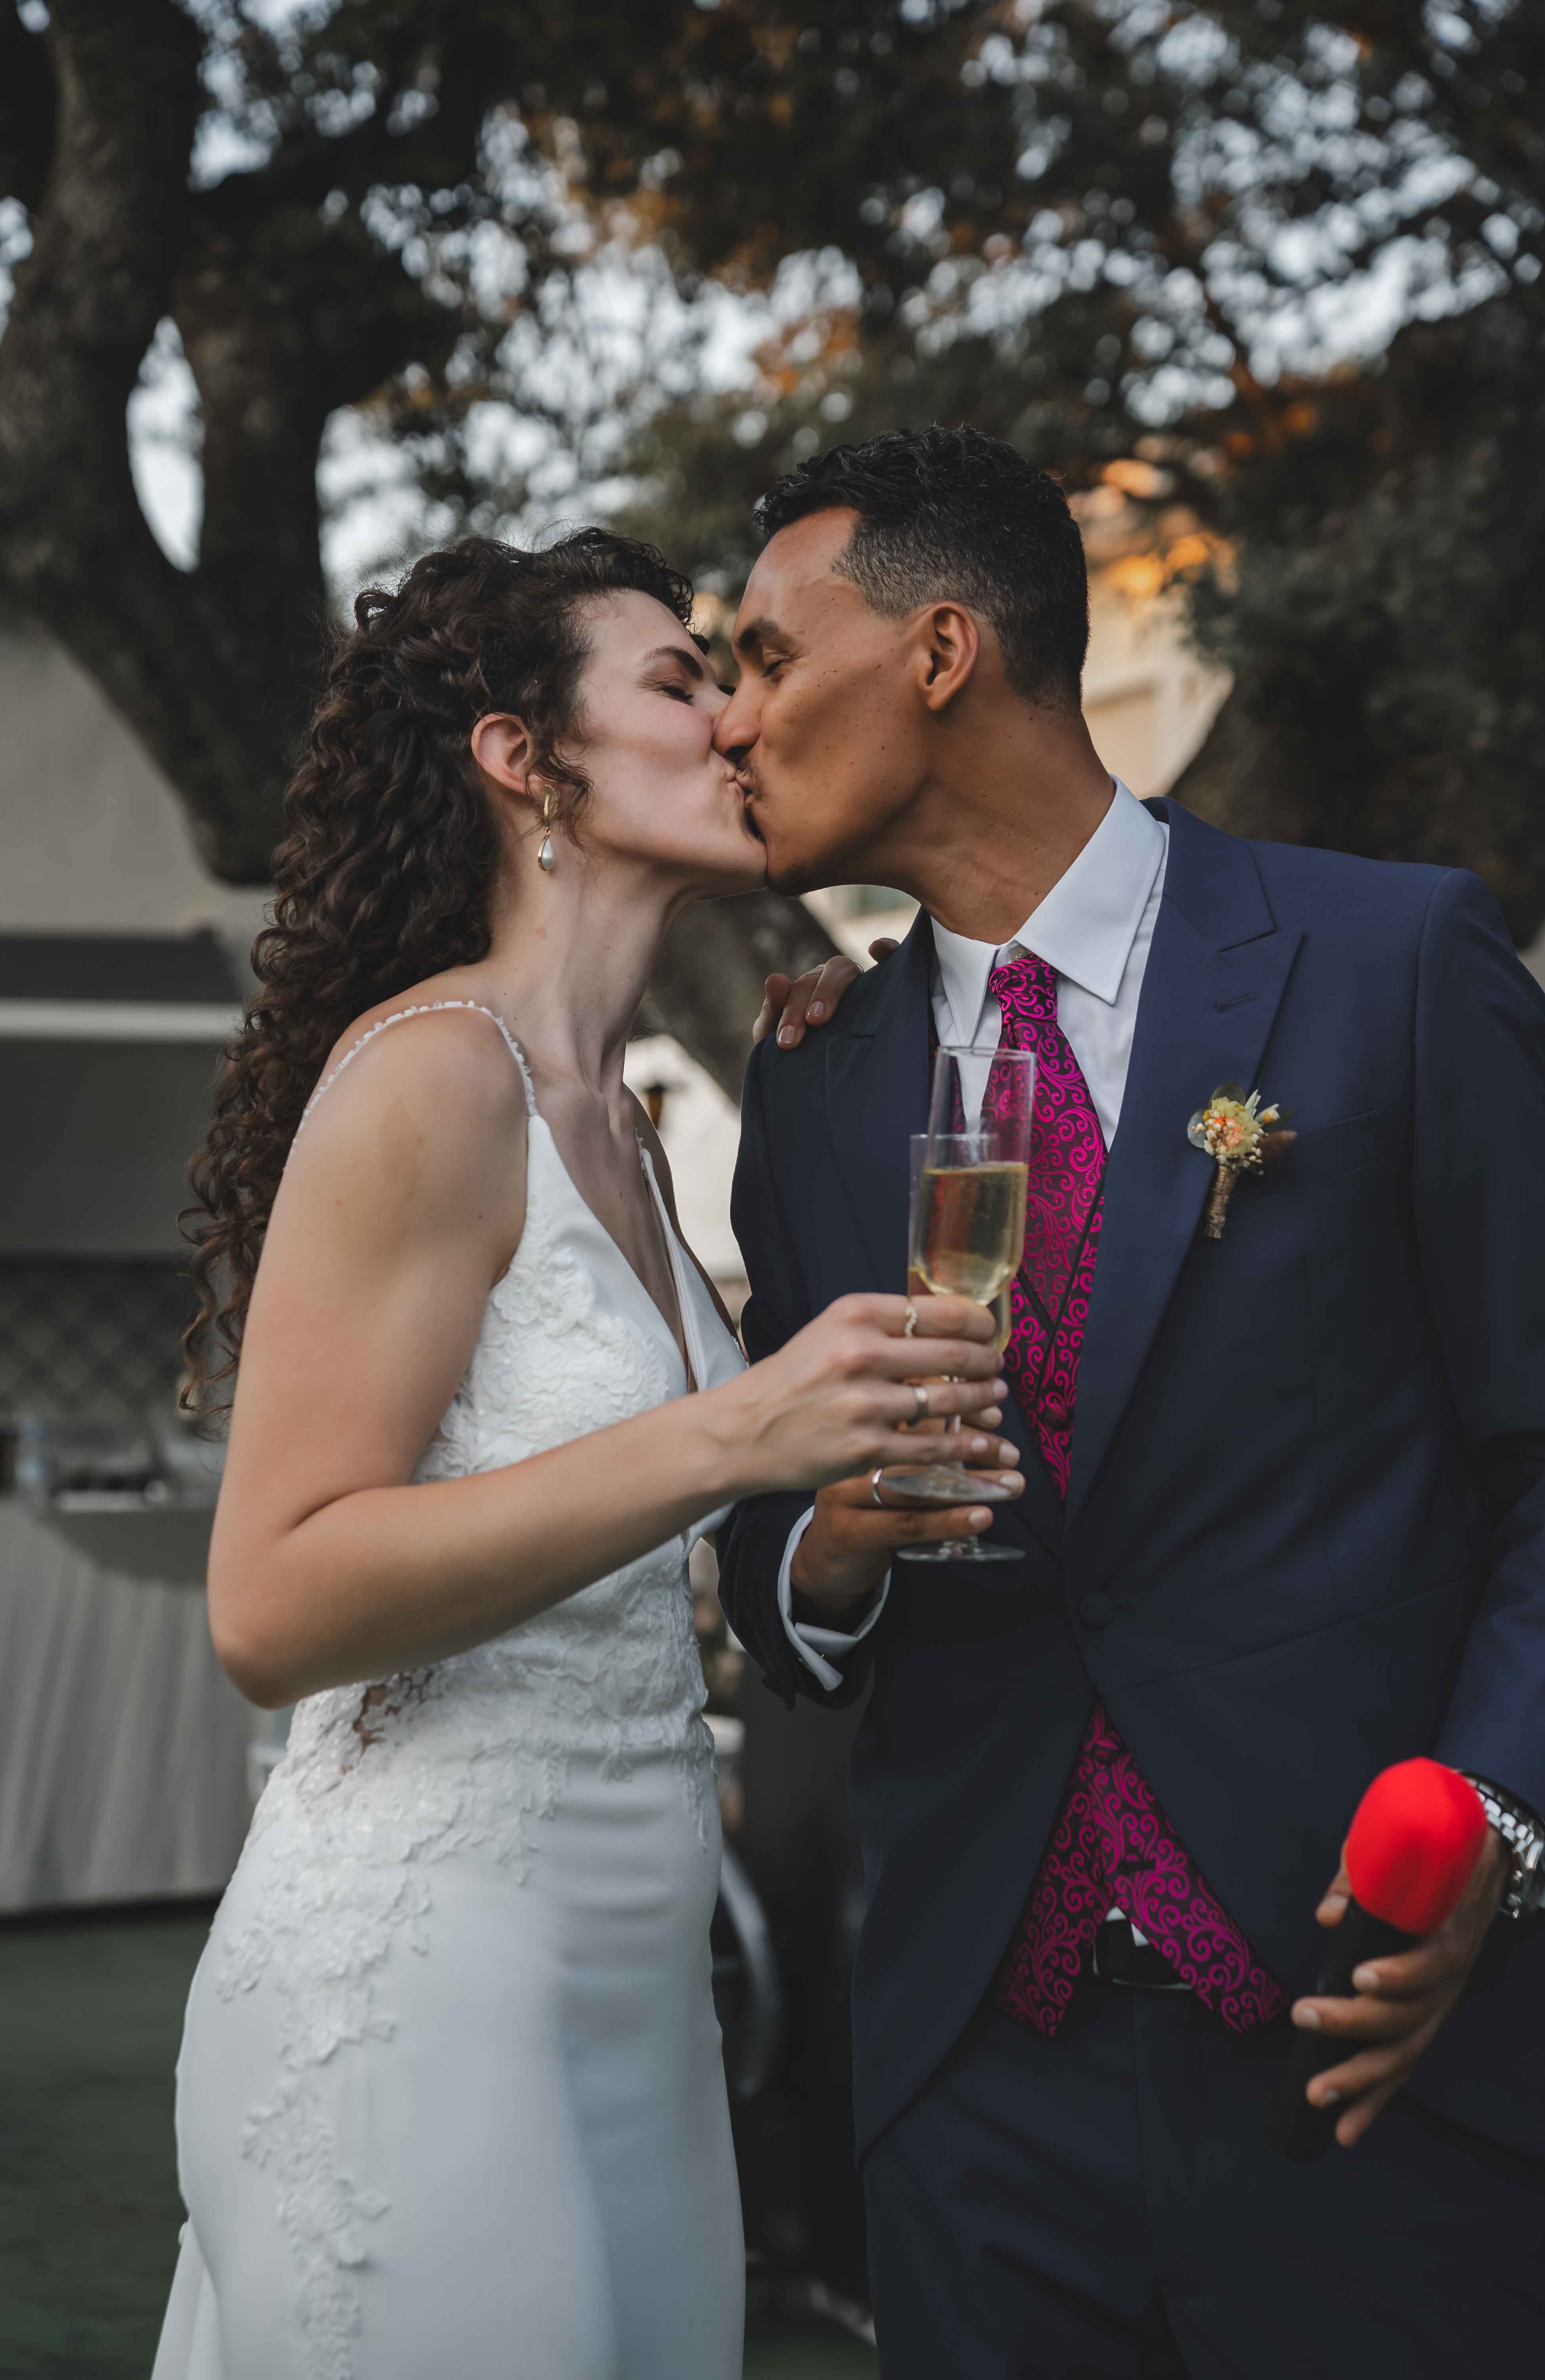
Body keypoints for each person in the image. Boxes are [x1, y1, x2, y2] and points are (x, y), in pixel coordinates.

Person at [712, 426, 1545, 2378]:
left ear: (937, 654)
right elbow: (767, 1557)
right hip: (974, 2087)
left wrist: (1492, 1840)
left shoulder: (1391, 962)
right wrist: (829, 1546)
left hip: (1369, 2053)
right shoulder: (815, 1086)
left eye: (761, 654)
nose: (734, 720)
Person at [149, 528, 1015, 2380]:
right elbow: (273, 1598)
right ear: (520, 759)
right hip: (423, 1975)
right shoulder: (429, 1075)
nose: (737, 722)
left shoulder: (619, 1117)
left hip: (640, 1974)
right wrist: (735, 1425)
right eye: (680, 682)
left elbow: (646, 1522)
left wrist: (829, 1485)